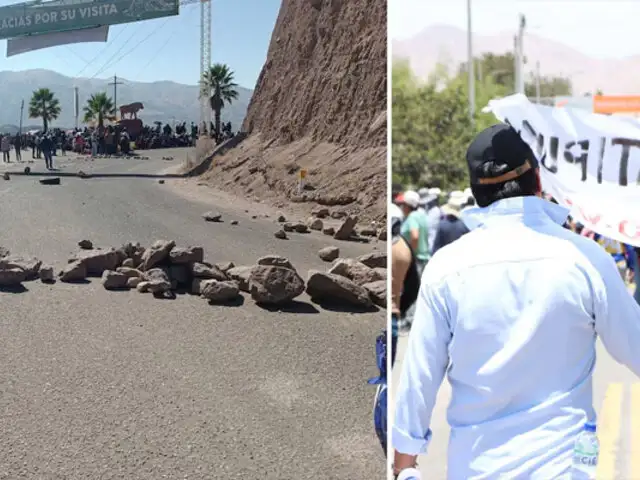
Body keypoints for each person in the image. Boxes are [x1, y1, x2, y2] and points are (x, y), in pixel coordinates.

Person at [392, 124, 640, 479]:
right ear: (538, 180)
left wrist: (405, 466)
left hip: (475, 469)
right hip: (564, 470)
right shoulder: (585, 259)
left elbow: (419, 378)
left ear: (476, 193)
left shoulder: (447, 268)